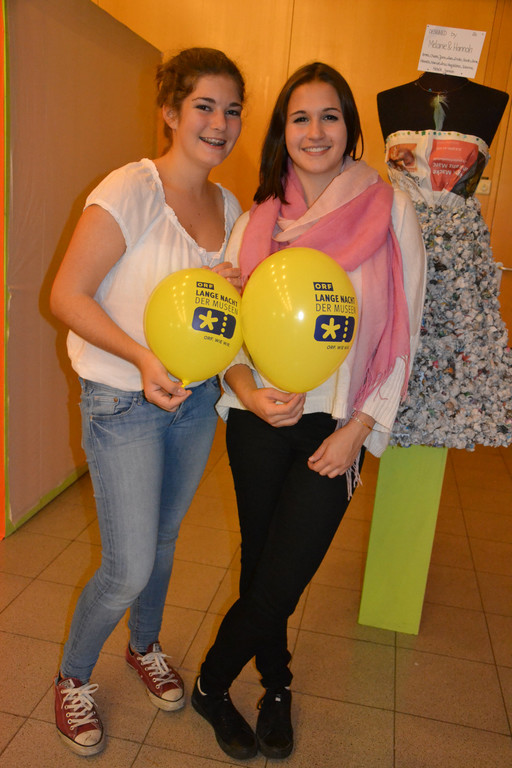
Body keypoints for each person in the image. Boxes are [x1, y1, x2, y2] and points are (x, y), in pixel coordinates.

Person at [191, 62, 426, 760]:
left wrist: (359, 430)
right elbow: (227, 336)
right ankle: (277, 687)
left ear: (350, 128)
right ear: (283, 132)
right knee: (262, 563)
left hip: (339, 426)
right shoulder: (257, 221)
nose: (315, 131)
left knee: (283, 576)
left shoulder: (391, 210)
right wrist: (247, 391)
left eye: (330, 116)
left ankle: (209, 685)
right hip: (258, 419)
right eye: (300, 117)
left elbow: (406, 328)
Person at [49, 47, 245, 757]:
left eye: (232, 110)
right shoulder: (132, 188)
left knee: (163, 542)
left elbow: (210, 315)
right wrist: (141, 357)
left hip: (192, 402)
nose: (219, 123)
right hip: (123, 401)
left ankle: (144, 644)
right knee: (127, 564)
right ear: (170, 111)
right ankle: (74, 677)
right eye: (204, 106)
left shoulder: (231, 207)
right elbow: (67, 295)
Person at [376, 72, 512, 448]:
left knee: (452, 358)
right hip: (399, 241)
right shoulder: (390, 99)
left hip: (458, 256)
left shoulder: (492, 100)